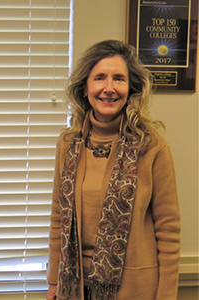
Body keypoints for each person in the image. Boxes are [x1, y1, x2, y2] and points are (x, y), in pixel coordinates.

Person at [46, 40, 180, 300]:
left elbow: (169, 231)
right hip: (74, 285)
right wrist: (53, 281)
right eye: (99, 78)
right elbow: (57, 217)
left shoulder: (151, 148)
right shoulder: (68, 144)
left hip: (134, 288)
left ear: (130, 89)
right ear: (85, 88)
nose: (109, 88)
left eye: (119, 78)